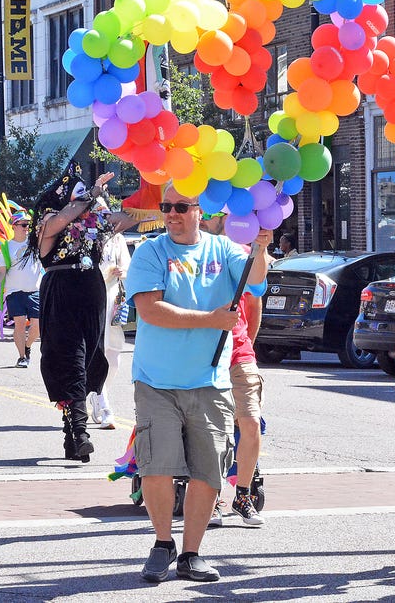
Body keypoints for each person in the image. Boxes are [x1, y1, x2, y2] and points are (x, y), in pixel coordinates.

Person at [127, 184, 271, 583]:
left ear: (200, 211)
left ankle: (191, 553)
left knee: (208, 471)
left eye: (179, 207)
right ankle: (162, 543)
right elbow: (150, 310)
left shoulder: (222, 248)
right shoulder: (151, 251)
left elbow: (254, 281)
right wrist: (209, 319)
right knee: (156, 467)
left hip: (211, 381)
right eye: (166, 207)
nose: (171, 214)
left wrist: (259, 246)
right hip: (156, 381)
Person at [35, 164, 138, 461]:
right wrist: (91, 194)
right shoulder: (49, 222)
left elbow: (128, 218)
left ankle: (72, 435)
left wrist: (152, 197)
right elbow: (63, 219)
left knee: (90, 355)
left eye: (88, 195)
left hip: (92, 291)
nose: (87, 200)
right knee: (71, 359)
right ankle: (80, 434)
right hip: (61, 290)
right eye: (78, 194)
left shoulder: (95, 222)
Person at [201, 210, 268, 527]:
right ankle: (212, 498)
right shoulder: (194, 252)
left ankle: (242, 495)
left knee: (251, 424)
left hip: (238, 353)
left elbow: (255, 300)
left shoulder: (243, 252)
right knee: (211, 431)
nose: (207, 219)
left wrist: (263, 247)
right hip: (202, 353)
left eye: (215, 215)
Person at [90, 221, 130, 429]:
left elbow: (127, 267)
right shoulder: (85, 238)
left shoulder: (117, 239)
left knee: (114, 360)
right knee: (98, 356)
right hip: (91, 302)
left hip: (113, 302)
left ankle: (97, 394)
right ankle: (105, 407)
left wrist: (121, 271)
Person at [0, 212, 42, 368]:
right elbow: (1, 271)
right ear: (14, 226)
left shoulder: (36, 243)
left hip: (34, 290)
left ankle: (27, 346)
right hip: (14, 291)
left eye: (28, 225)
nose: (26, 228)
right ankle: (22, 357)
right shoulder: (6, 247)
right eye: (23, 225)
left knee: (38, 326)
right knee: (20, 323)